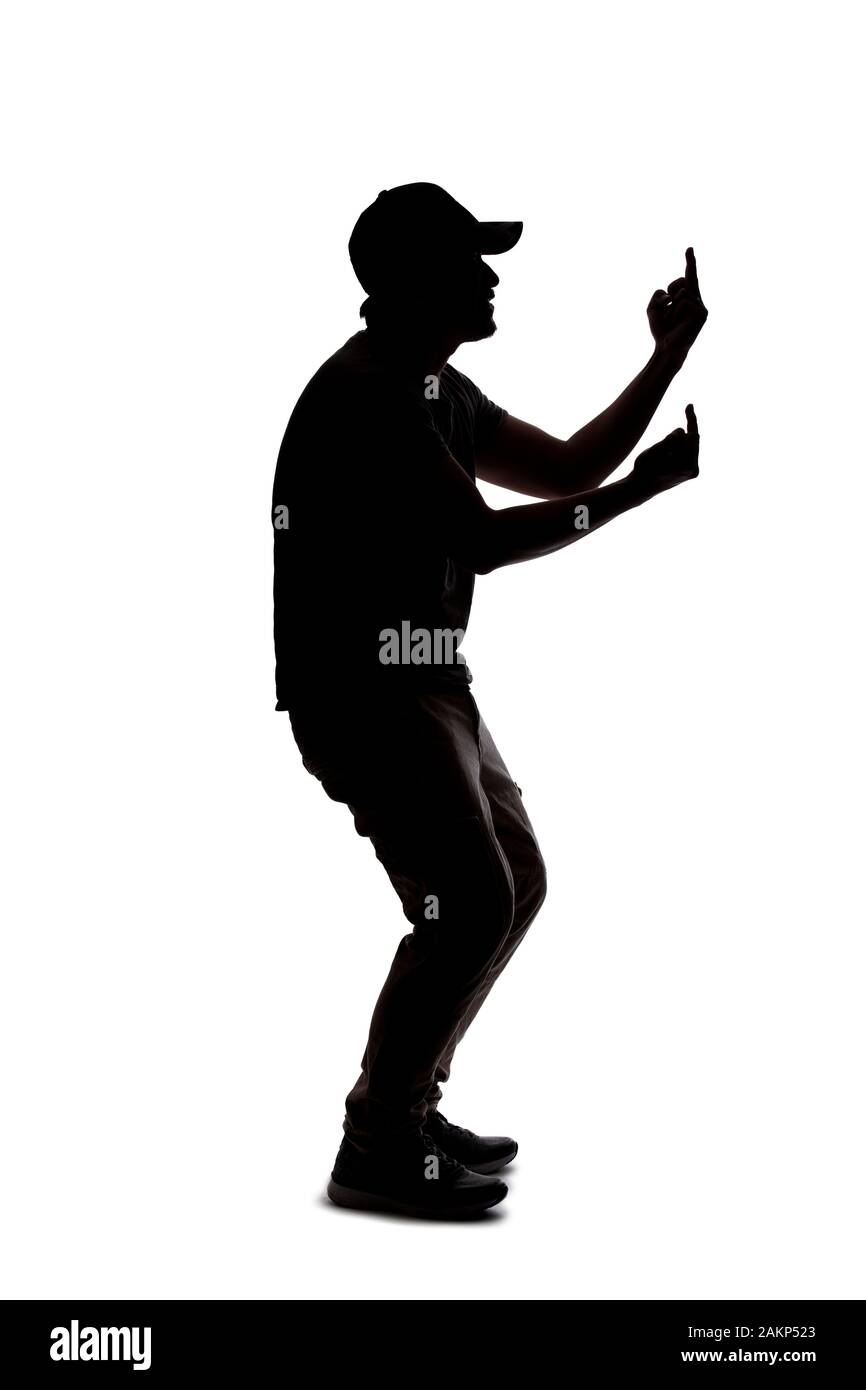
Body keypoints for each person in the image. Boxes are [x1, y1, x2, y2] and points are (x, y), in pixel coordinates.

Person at [272, 182, 708, 1218]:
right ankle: (378, 1144)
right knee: (467, 904)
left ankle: (406, 1100)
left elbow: (564, 464)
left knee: (510, 879)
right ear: (413, 280)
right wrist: (641, 491)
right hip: (364, 691)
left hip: (429, 681)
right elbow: (481, 539)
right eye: (470, 260)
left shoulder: (436, 390)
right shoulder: (372, 390)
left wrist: (663, 357)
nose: (490, 275)